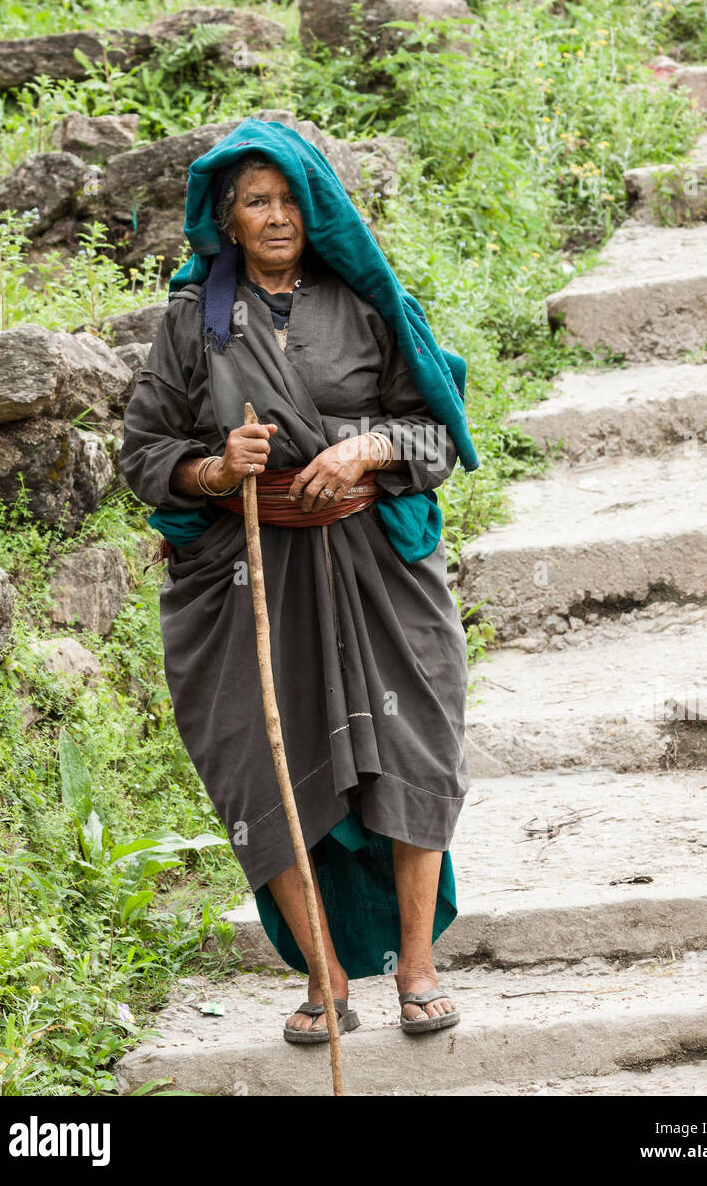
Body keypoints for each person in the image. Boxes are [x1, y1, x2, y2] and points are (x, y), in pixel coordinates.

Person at [119, 116, 479, 1042]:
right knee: (259, 761)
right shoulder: (192, 323)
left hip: (375, 568)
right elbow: (144, 452)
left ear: (312, 209)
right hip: (250, 574)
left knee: (416, 744)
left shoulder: (368, 306)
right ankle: (325, 981)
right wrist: (213, 469)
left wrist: (366, 447)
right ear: (227, 220)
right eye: (255, 202)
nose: (275, 217)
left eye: (288, 199)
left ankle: (418, 967)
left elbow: (438, 436)